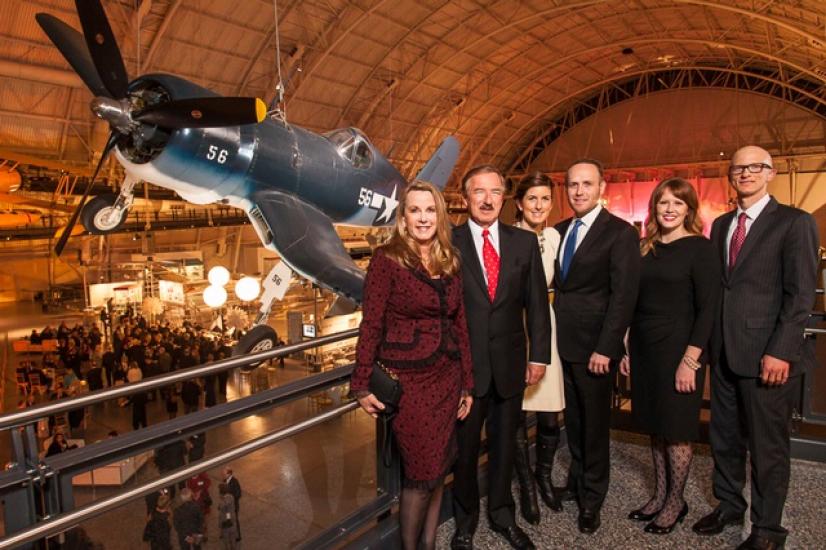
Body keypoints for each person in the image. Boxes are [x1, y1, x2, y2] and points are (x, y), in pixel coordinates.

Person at [692, 146, 818, 550]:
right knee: (724, 438)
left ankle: (767, 530)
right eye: (738, 167)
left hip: (768, 356)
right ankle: (730, 504)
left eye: (754, 167)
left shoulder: (793, 222)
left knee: (768, 447)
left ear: (770, 172)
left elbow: (800, 294)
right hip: (725, 350)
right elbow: (720, 289)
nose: (745, 173)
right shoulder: (722, 224)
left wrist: (781, 349)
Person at [352, 181, 474, 550]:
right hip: (409, 382)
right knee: (420, 475)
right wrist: (360, 384)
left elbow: (460, 323)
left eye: (430, 209)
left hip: (447, 378)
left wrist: (467, 383)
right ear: (403, 217)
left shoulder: (450, 259)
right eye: (415, 210)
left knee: (438, 472)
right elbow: (371, 322)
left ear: (440, 215)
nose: (423, 217)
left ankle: (429, 544)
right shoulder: (387, 259)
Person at [451, 165, 551, 550]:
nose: (488, 199)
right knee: (464, 452)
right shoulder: (449, 241)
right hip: (465, 370)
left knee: (505, 446)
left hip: (510, 365)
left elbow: (537, 305)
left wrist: (539, 355)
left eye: (496, 191)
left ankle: (502, 514)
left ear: (504, 198)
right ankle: (464, 522)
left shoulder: (522, 243)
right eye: (480, 192)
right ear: (466, 199)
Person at [620, 178, 720, 534]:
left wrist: (691, 360)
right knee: (655, 425)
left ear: (689, 210)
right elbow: (632, 300)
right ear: (654, 208)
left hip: (680, 347)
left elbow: (708, 309)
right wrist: (626, 344)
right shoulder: (646, 247)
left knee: (677, 429)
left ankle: (676, 501)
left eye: (677, 203)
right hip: (646, 347)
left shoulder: (701, 249)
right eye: (663, 202)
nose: (669, 209)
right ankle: (660, 495)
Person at [553, 158, 640, 534]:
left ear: (602, 188)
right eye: (573, 185)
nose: (579, 191)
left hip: (596, 348)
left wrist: (607, 347)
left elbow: (624, 296)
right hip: (562, 344)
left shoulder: (619, 233)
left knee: (594, 424)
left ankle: (593, 496)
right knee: (573, 421)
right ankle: (575, 481)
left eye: (587, 184)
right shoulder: (557, 231)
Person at [510, 172, 565, 524]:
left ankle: (544, 475)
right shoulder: (509, 236)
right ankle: (527, 486)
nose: (539, 206)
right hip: (515, 324)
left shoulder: (555, 236)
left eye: (545, 199)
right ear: (519, 203)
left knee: (549, 414)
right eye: (532, 199)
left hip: (547, 324)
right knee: (516, 413)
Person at [217, 483, 238, 550]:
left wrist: (221, 499)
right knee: (232, 537)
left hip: (225, 522)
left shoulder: (223, 501)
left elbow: (220, 507)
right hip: (232, 520)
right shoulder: (231, 497)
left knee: (226, 539)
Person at [223, 468, 242, 541]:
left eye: (224, 474)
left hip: (233, 506)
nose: (223, 475)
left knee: (235, 520)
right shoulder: (225, 481)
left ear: (229, 474)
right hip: (227, 506)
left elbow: (238, 494)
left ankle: (238, 536)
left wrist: (230, 498)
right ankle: (229, 533)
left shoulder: (235, 482)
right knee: (228, 519)